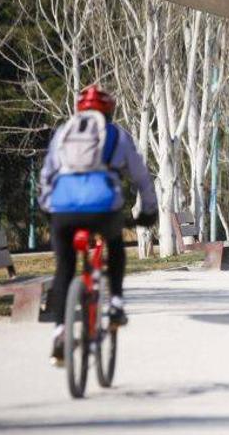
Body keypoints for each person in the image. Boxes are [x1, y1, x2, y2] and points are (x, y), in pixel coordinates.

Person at [40, 85, 158, 366]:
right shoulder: (117, 135)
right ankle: (115, 303)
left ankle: (59, 332)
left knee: (64, 268)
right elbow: (142, 178)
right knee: (115, 245)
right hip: (104, 207)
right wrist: (148, 212)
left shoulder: (63, 133)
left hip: (64, 209)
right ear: (109, 110)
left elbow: (46, 175)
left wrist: (48, 209)